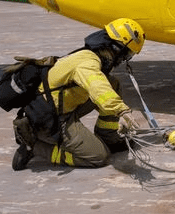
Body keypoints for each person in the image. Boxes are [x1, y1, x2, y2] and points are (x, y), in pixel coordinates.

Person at [11, 18, 145, 171]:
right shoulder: (88, 62)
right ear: (117, 48)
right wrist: (120, 109)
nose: (124, 60)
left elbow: (101, 83)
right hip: (50, 119)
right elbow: (97, 85)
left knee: (113, 83)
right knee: (99, 157)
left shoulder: (87, 54)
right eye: (127, 55)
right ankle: (34, 146)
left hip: (61, 107)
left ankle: (108, 136)